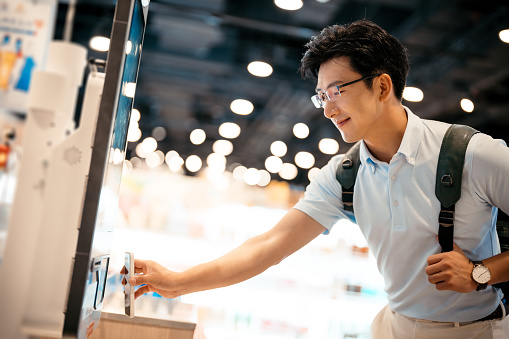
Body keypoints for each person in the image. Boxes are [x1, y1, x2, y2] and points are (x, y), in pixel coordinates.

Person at [124, 20, 509, 338]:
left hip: (475, 331)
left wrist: (481, 273)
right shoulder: (345, 175)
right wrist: (179, 282)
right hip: (394, 328)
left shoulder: (470, 154)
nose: (327, 109)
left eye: (336, 91)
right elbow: (270, 244)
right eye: (321, 96)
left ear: (382, 86)